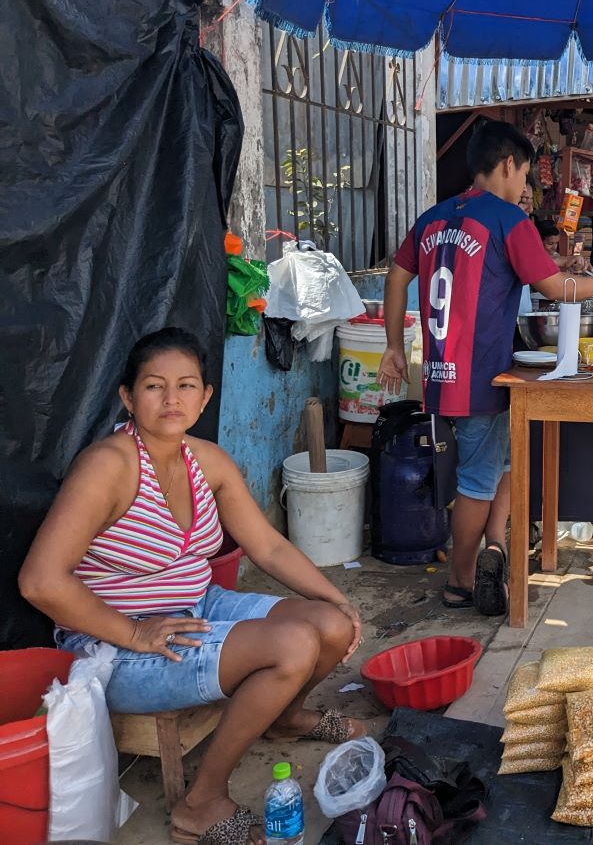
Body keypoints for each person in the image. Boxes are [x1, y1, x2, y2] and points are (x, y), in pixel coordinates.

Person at [19, 328, 365, 845]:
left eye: (186, 386)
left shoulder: (206, 459)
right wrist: (134, 633)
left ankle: (285, 716)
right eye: (155, 386)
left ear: (204, 397)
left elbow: (267, 547)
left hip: (195, 607)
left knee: (332, 626)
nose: (171, 398)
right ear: (128, 397)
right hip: (113, 645)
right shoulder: (108, 467)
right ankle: (201, 802)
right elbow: (39, 581)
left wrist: (336, 597)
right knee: (293, 644)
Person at [377, 120, 593, 615]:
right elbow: (556, 290)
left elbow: (396, 277)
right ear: (508, 164)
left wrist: (393, 344)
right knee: (476, 477)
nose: (525, 189)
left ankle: (496, 543)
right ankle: (460, 580)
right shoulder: (508, 219)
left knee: (505, 458)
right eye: (526, 177)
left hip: (438, 374)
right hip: (480, 375)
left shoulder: (433, 217)